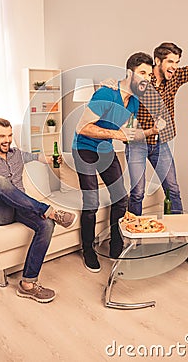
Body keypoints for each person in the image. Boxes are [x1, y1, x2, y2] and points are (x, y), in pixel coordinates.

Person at [103, 38, 188, 262]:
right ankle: (134, 244)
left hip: (162, 144)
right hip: (137, 145)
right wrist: (110, 84)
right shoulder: (140, 80)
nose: (174, 66)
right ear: (157, 61)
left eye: (177, 62)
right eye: (170, 62)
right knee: (136, 194)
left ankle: (182, 243)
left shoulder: (175, 77)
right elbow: (118, 90)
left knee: (173, 191)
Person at [0, 118, 77, 303]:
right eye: (2, 136)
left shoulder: (16, 153)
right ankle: (49, 210)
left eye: (9, 135)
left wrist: (51, 159)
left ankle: (28, 284)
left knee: (47, 225)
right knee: (1, 181)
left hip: (20, 208)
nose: (7, 140)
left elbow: (36, 157)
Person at [72, 52, 155, 272]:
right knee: (92, 203)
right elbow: (82, 127)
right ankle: (88, 249)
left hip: (106, 150)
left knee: (121, 198)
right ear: (130, 73)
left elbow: (128, 130)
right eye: (142, 73)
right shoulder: (106, 94)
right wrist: (118, 135)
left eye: (149, 73)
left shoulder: (135, 101)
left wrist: (146, 134)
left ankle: (116, 248)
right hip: (84, 149)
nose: (147, 78)